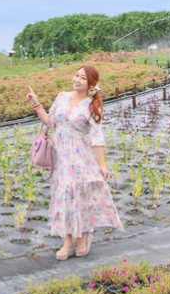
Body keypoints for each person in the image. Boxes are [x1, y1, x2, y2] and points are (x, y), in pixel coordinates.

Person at [26, 65, 123, 260]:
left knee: (79, 197)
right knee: (64, 197)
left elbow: (97, 137)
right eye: (76, 75)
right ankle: (68, 241)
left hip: (81, 159)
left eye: (83, 78)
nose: (77, 80)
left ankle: (83, 235)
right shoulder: (62, 97)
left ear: (91, 84)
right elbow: (50, 122)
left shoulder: (92, 105)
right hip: (61, 157)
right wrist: (36, 104)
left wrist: (102, 165)